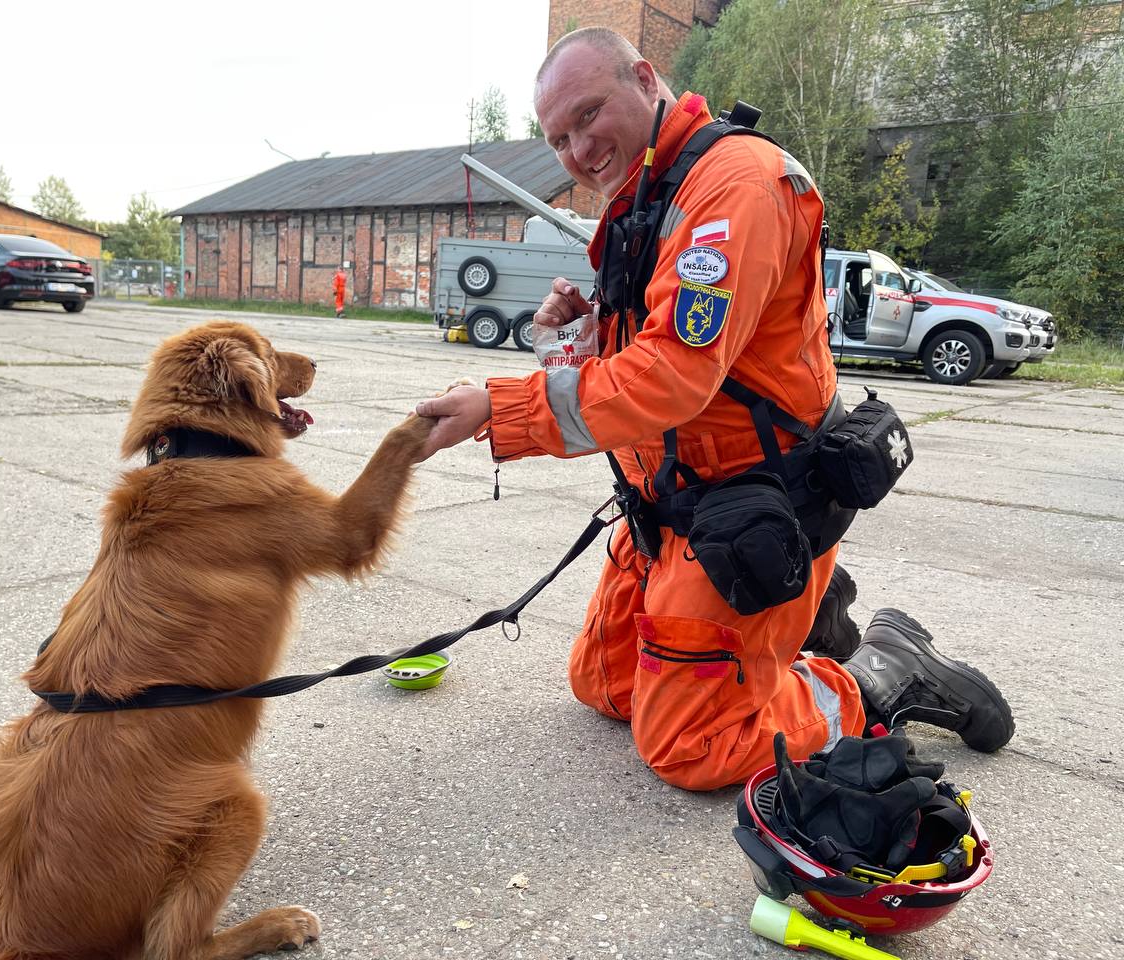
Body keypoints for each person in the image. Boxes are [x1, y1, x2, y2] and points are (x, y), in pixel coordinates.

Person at [413, 27, 1014, 790]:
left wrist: (501, 411)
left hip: (752, 500)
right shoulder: (647, 197)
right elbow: (651, 354)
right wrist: (564, 338)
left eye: (589, 115)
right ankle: (790, 621)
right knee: (605, 686)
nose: (578, 149)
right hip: (671, 507)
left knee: (688, 747)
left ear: (645, 76)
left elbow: (671, 376)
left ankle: (881, 673)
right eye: (559, 137)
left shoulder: (734, 186)